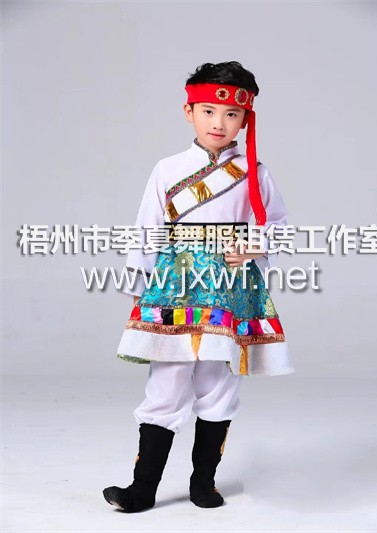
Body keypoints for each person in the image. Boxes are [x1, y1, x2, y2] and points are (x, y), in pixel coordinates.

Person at [103, 61, 294, 513]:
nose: (219, 123)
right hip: (175, 283)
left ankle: (203, 484)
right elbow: (146, 229)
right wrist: (139, 284)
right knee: (167, 381)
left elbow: (280, 228)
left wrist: (253, 245)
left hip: (229, 287)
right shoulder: (167, 169)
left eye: (231, 115)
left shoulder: (254, 171)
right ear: (188, 111)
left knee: (218, 380)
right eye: (208, 111)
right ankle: (142, 488)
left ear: (245, 119)